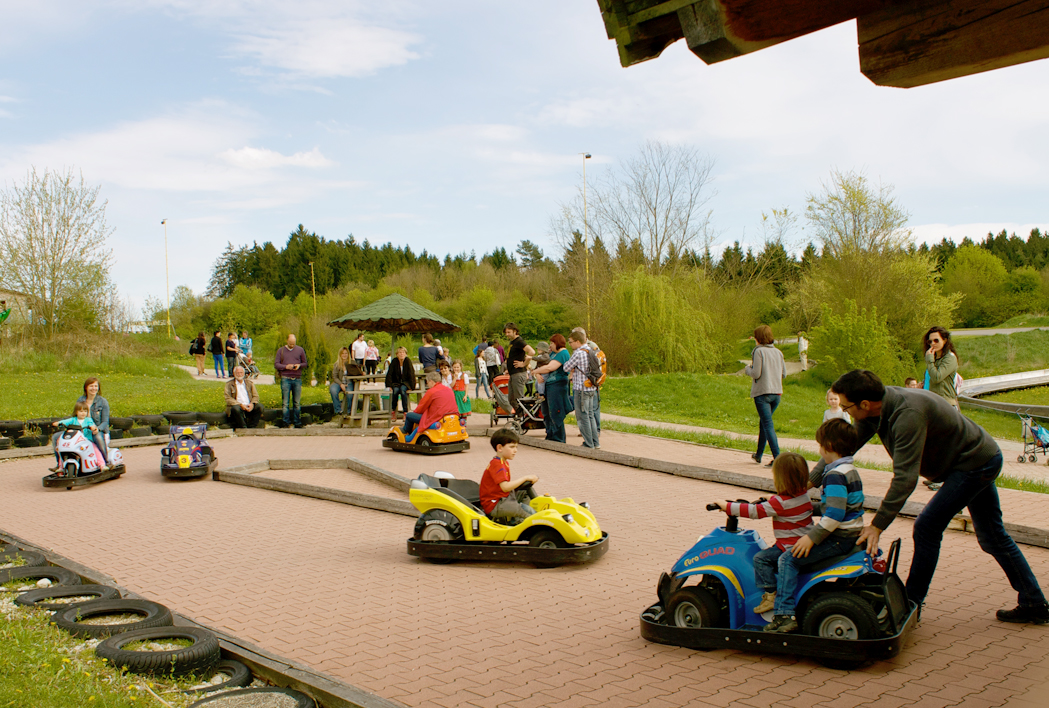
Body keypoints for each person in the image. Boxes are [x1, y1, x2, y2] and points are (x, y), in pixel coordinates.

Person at [833, 369, 1048, 623]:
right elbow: (841, 450)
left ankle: (910, 605)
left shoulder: (907, 414)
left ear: (864, 404)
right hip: (973, 460)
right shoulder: (875, 411)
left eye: (846, 408)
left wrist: (877, 525)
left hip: (975, 463)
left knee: (927, 527)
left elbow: (905, 480)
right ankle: (1034, 602)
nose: (845, 412)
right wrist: (807, 481)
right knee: (992, 536)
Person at [766, 419, 864, 633]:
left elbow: (835, 515)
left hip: (839, 537)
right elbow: (837, 506)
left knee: (788, 559)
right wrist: (805, 507)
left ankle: (784, 615)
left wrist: (811, 538)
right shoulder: (849, 469)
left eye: (820, 445)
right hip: (849, 532)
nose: (819, 451)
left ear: (829, 446)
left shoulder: (835, 475)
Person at [716, 452, 813, 618]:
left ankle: (770, 595)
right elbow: (783, 502)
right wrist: (772, 498)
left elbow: (755, 511)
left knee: (760, 559)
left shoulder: (780, 504)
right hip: (801, 543)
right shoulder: (803, 496)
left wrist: (727, 506)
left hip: (789, 548)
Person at [479, 428, 538, 526]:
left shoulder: (503, 462)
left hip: (503, 499)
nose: (515, 450)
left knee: (525, 492)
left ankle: (516, 519)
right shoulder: (497, 464)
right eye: (512, 447)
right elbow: (505, 487)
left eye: (516, 447)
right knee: (527, 512)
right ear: (500, 448)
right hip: (494, 504)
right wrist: (525, 478)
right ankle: (534, 521)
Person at [745, 325, 785, 466]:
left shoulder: (759, 351)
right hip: (777, 393)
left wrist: (747, 369)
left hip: (762, 393)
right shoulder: (778, 352)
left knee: (767, 425)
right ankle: (759, 454)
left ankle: (777, 458)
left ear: (758, 338)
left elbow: (756, 373)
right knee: (764, 422)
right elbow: (784, 374)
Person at [63, 377, 111, 468]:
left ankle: (105, 462)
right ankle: (62, 465)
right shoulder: (80, 400)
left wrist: (97, 429)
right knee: (59, 437)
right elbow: (75, 416)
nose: (93, 388)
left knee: (97, 437)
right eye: (91, 386)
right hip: (83, 431)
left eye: (95, 386)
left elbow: (105, 422)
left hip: (98, 431)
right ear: (86, 387)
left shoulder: (103, 402)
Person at [532, 334, 571, 443]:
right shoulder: (553, 353)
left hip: (557, 385)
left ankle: (558, 437)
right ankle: (550, 434)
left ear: (557, 343)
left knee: (555, 411)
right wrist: (537, 374)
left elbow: (550, 367)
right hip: (547, 385)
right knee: (546, 412)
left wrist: (535, 371)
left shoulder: (563, 354)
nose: (550, 346)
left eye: (552, 343)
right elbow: (542, 365)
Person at [564, 330, 599, 449]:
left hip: (581, 389)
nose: (570, 344)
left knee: (582, 417)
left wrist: (572, 369)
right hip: (591, 387)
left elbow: (566, 367)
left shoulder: (578, 353)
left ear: (577, 341)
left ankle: (588, 443)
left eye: (571, 342)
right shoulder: (592, 350)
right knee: (590, 415)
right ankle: (595, 442)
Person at [51, 401, 108, 472]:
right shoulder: (73, 419)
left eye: (85, 411)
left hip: (86, 441)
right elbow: (65, 422)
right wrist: (58, 423)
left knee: (95, 449)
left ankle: (102, 464)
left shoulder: (88, 420)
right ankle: (61, 467)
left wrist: (92, 427)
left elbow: (92, 425)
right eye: (81, 411)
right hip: (75, 441)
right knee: (63, 450)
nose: (83, 413)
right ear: (76, 412)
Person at [402, 371, 457, 436]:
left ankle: (405, 433)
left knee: (409, 415)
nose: (427, 385)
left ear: (431, 381)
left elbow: (421, 407)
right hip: (450, 415)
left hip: (437, 417)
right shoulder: (449, 390)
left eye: (427, 382)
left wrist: (415, 412)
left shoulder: (431, 392)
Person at [275, 333, 308, 428]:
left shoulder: (300, 350)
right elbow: (276, 364)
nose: (292, 345)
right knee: (285, 403)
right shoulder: (281, 350)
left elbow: (305, 363)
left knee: (297, 402)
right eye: (290, 343)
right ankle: (286, 422)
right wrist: (286, 367)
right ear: (287, 341)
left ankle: (297, 422)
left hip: (297, 378)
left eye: (293, 343)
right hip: (285, 378)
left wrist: (299, 365)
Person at [923, 326, 959, 408]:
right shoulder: (934, 358)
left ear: (945, 340)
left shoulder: (950, 358)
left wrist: (929, 360)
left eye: (936, 340)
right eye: (930, 341)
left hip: (946, 404)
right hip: (933, 402)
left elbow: (937, 377)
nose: (933, 343)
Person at [503, 322, 535, 415]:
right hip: (513, 373)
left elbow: (531, 352)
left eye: (509, 332)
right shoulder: (512, 342)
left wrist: (524, 364)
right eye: (506, 332)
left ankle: (526, 416)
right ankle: (520, 415)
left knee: (519, 399)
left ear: (515, 331)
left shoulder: (519, 341)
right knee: (511, 399)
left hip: (518, 373)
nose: (507, 334)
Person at [224, 366, 263, 430]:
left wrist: (252, 404)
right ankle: (243, 427)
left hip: (249, 405)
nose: (239, 374)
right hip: (237, 406)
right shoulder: (229, 384)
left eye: (241, 372)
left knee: (260, 407)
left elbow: (255, 396)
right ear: (234, 374)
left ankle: (252, 427)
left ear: (244, 373)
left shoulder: (249, 383)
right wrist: (240, 405)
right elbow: (228, 398)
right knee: (236, 408)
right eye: (237, 373)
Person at [385, 346, 417, 422]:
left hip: (405, 383)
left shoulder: (407, 361)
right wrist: (389, 385)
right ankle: (393, 411)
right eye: (400, 352)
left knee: (403, 391)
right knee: (395, 391)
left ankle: (405, 412)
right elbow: (389, 374)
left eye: (403, 352)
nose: (401, 354)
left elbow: (411, 374)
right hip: (396, 383)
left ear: (405, 354)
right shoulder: (394, 361)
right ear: (397, 354)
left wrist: (412, 386)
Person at [330, 347, 358, 416]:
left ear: (348, 354)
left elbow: (357, 372)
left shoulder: (352, 363)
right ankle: (338, 410)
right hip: (339, 382)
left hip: (349, 382)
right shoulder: (336, 364)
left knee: (349, 393)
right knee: (333, 390)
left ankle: (349, 411)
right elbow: (335, 377)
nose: (344, 355)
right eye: (342, 353)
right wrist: (341, 384)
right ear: (340, 354)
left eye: (346, 353)